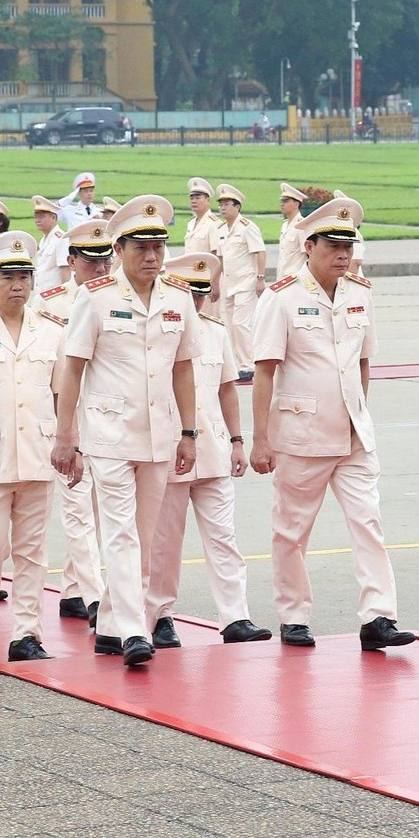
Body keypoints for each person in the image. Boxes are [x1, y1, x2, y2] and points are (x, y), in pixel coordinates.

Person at [249, 196, 413, 652]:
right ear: (309, 245)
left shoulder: (360, 293)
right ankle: (293, 616)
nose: (343, 254)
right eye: (333, 245)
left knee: (368, 522)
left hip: (353, 434)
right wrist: (261, 439)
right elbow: (264, 371)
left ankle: (379, 616)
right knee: (291, 531)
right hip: (301, 435)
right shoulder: (282, 297)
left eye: (348, 245)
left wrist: (360, 411)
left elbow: (363, 363)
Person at [50, 196, 199, 667]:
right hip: (108, 434)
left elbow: (184, 368)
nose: (151, 256)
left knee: (144, 534)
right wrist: (65, 436)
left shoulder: (178, 297)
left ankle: (112, 626)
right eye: (141, 247)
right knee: (120, 533)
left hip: (158, 434)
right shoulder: (96, 297)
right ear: (119, 250)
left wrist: (189, 432)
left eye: (158, 246)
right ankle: (136, 630)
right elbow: (72, 370)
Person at [147, 251, 271, 645]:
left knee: (223, 538)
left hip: (213, 450)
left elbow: (227, 390)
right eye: (191, 293)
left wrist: (237, 441)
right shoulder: (156, 330)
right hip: (170, 450)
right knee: (165, 543)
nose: (197, 301)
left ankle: (236, 617)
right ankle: (159, 616)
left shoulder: (216, 331)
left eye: (202, 294)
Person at [0, 231, 57, 661]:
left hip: (38, 454)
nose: (17, 285)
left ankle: (27, 635)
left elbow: (61, 394)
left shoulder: (51, 331)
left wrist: (69, 443)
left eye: (24, 276)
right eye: (7, 277)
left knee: (32, 553)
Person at [37, 219, 114, 625]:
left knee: (100, 511)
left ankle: (72, 589)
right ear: (71, 261)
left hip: (109, 419)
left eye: (106, 261)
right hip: (67, 419)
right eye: (90, 261)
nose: (100, 269)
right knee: (79, 509)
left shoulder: (117, 298)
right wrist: (60, 429)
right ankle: (96, 597)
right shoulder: (49, 306)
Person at [214, 184, 268, 381]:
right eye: (221, 204)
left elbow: (260, 252)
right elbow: (220, 259)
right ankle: (237, 364)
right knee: (229, 324)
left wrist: (260, 278)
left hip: (246, 282)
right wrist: (214, 281)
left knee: (241, 324)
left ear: (237, 207)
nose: (223, 207)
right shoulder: (221, 229)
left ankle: (248, 364)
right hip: (229, 283)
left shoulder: (247, 227)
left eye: (227, 204)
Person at [32, 197, 68, 292]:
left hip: (55, 295)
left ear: (53, 218)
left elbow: (65, 270)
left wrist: (66, 295)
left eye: (42, 217)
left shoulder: (61, 239)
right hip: (42, 294)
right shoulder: (43, 239)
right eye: (36, 216)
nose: (37, 220)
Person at [275, 184, 306, 279]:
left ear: (296, 204)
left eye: (286, 201)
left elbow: (308, 254)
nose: (282, 204)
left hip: (296, 277)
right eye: (281, 201)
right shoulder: (285, 225)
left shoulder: (302, 225)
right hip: (282, 277)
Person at [182, 179, 218, 253]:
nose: (193, 201)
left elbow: (216, 253)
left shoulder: (214, 223)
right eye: (191, 198)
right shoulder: (191, 223)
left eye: (197, 198)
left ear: (207, 200)